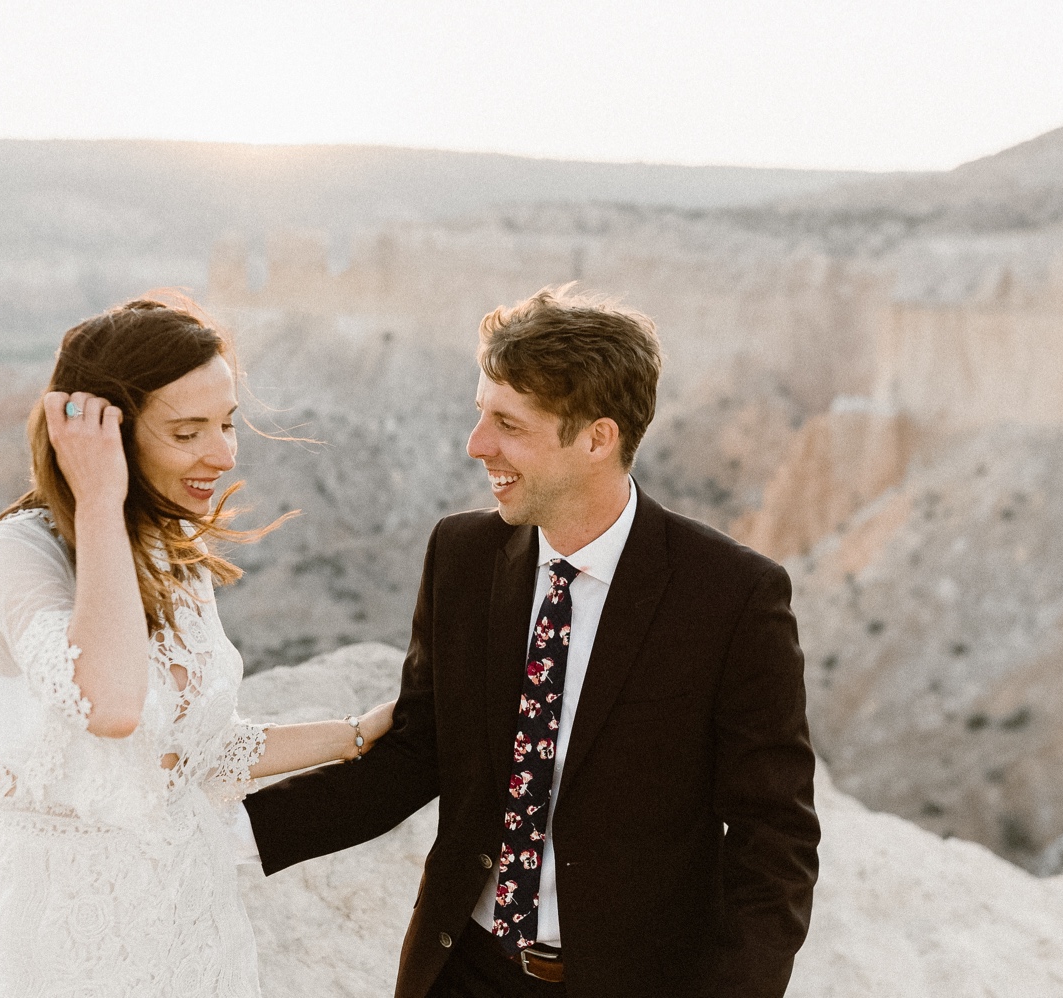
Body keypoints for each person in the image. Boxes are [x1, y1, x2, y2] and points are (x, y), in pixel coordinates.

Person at [243, 286, 820, 998]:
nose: (475, 444)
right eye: (481, 413)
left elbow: (775, 842)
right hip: (463, 971)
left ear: (596, 438)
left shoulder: (732, 596)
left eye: (508, 424)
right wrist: (229, 840)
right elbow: (415, 756)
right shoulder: (461, 555)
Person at [0, 297, 393, 998]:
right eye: (189, 431)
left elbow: (192, 751)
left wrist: (352, 735)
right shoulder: (18, 554)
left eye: (225, 424)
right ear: (106, 434)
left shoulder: (168, 553)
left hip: (193, 930)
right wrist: (98, 498)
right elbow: (111, 706)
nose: (223, 455)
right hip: (70, 953)